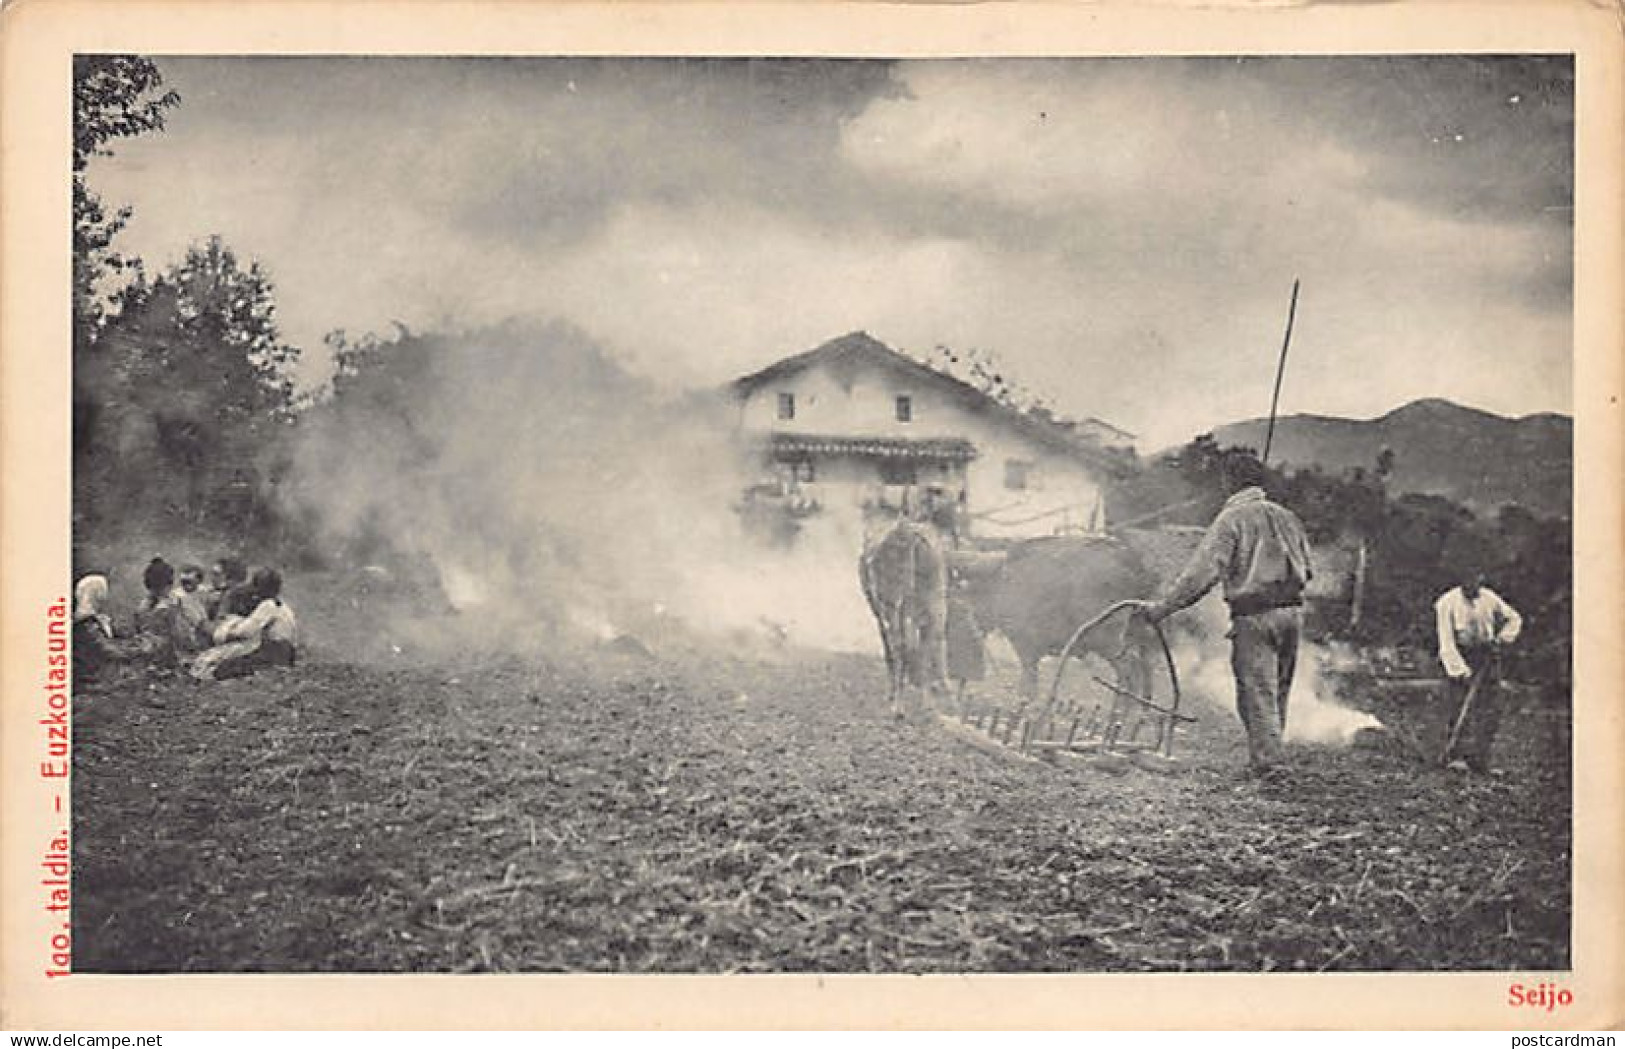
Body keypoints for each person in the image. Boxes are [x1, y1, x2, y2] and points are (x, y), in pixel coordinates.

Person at [1141, 450, 1313, 773]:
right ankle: (1269, 756)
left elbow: (1199, 576)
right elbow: (1309, 568)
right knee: (1278, 690)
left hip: (1254, 615)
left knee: (1256, 692)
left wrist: (1161, 609)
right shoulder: (1288, 518)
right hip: (1292, 612)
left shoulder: (1231, 519)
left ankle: (1269, 765)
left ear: (1229, 482)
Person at [1435, 569, 1522, 772]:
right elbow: (1446, 641)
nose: (1473, 583)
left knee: (1490, 708)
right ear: (1461, 580)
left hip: (1487, 656)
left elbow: (1514, 619)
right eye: (1468, 579)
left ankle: (1481, 758)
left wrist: (1502, 639)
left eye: (1476, 579)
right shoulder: (1446, 602)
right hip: (1460, 655)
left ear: (1481, 578)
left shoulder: (1489, 598)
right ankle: (1455, 756)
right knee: (1459, 707)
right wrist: (1460, 671)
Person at [192, 567, 298, 681]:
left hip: (273, 652)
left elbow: (245, 631)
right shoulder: (282, 606)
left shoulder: (268, 605)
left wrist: (226, 631)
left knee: (224, 667)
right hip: (287, 652)